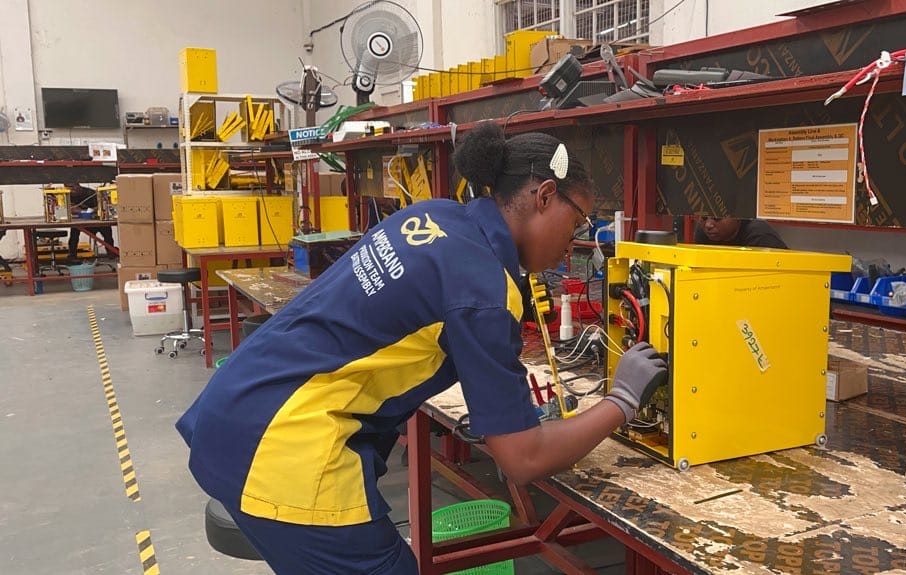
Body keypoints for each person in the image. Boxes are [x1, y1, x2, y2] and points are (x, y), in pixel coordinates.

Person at [175, 122, 667, 574]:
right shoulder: (483, 289)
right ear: (544, 195)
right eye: (577, 223)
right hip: (286, 449)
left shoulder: (433, 216)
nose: (573, 244)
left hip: (234, 409)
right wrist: (620, 401)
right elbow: (523, 460)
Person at [65, 183, 115, 261]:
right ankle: (72, 255)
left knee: (107, 229)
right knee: (74, 230)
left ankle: (111, 252)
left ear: (78, 185)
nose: (71, 190)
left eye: (72, 187)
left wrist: (84, 211)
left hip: (96, 221)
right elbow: (70, 209)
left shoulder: (91, 193)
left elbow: (99, 206)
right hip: (81, 222)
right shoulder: (68, 195)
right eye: (67, 187)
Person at [693, 215, 787, 248]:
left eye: (716, 218)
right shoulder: (704, 233)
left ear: (738, 216)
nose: (708, 225)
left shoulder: (761, 237)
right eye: (704, 218)